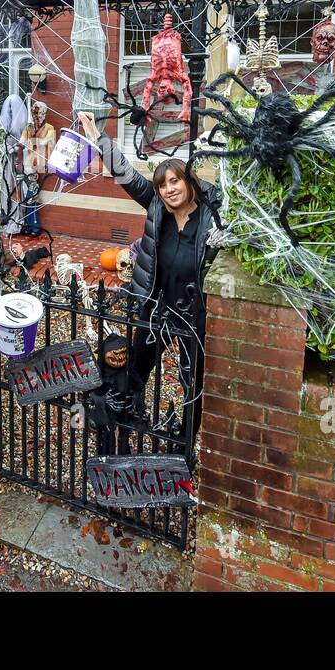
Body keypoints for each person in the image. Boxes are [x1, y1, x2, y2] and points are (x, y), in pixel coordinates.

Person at [77, 111, 221, 443]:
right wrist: (100, 141)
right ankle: (126, 423)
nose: (169, 190)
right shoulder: (157, 208)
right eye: (163, 184)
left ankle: (185, 442)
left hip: (192, 317)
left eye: (175, 181)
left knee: (192, 382)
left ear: (188, 181)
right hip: (155, 310)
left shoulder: (213, 216)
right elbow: (129, 177)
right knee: (136, 371)